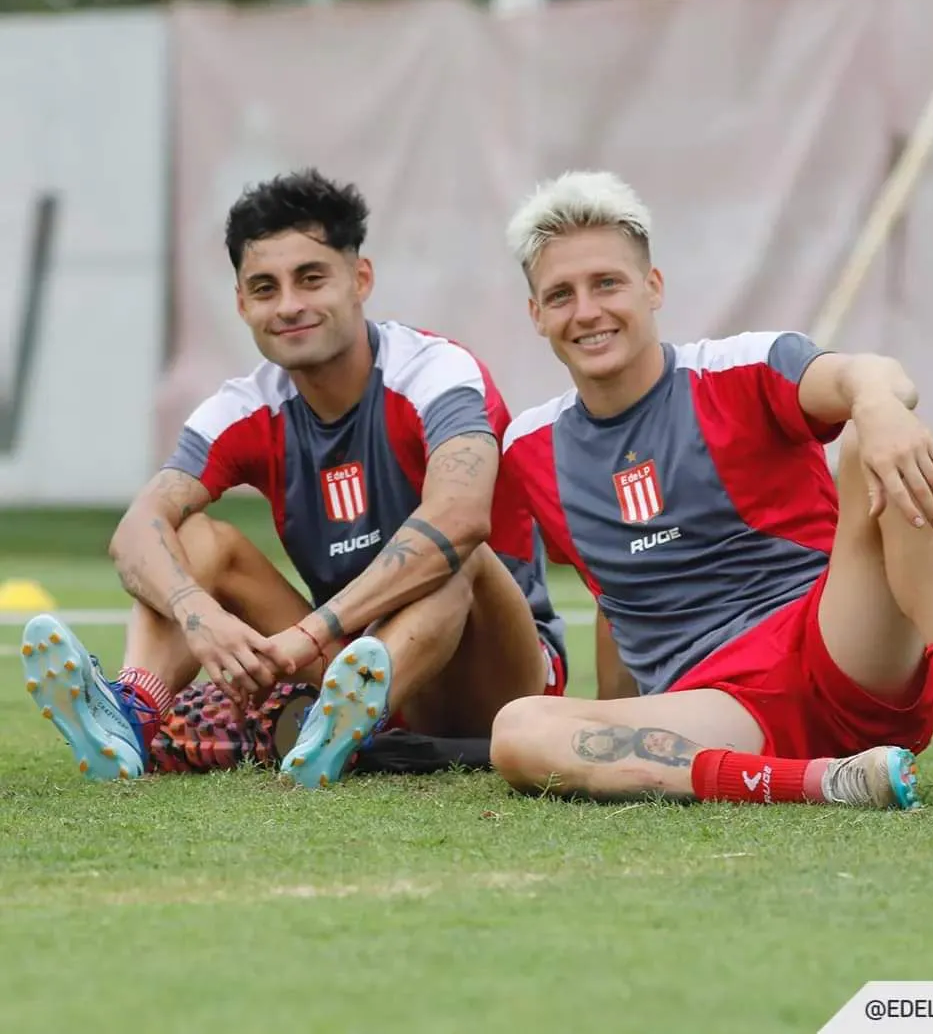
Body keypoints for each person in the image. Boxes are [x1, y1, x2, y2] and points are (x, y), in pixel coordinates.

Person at [488, 169, 933, 812]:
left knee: (888, 443)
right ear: (536, 315)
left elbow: (868, 373)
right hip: (716, 713)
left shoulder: (744, 365)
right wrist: (610, 721)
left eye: (607, 284)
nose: (587, 311)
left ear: (653, 288)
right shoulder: (529, 448)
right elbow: (613, 597)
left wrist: (877, 403)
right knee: (518, 731)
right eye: (560, 294)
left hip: (838, 653)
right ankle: (830, 784)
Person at [20, 168, 567, 788]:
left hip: (504, 685)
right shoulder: (243, 407)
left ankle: (319, 720)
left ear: (360, 280)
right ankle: (135, 711)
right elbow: (134, 534)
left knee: (452, 551)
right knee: (195, 538)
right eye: (264, 287)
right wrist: (201, 616)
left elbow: (461, 516)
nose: (288, 306)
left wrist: (308, 634)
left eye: (311, 279)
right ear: (242, 304)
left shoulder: (435, 371)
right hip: (350, 675)